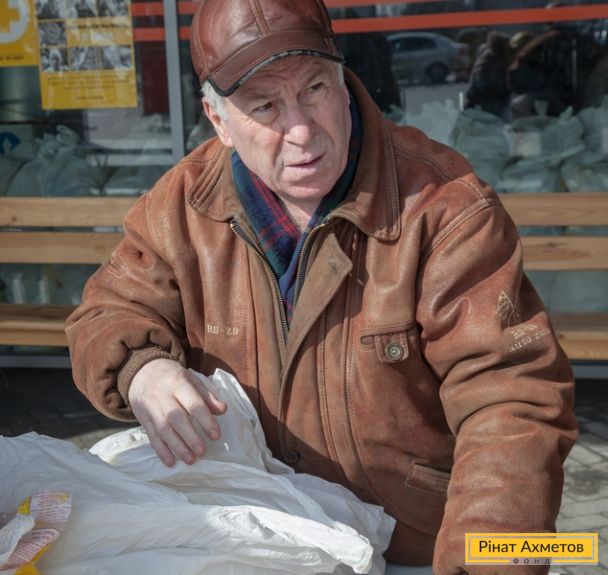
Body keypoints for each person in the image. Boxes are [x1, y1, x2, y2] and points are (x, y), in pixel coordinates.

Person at [66, 1, 578, 573]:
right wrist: (143, 370)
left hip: (416, 546)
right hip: (259, 539)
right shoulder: (181, 205)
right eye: (265, 105)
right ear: (219, 121)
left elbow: (512, 400)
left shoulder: (447, 206)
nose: (302, 131)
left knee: (573, 550)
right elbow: (106, 312)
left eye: (314, 89)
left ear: (342, 80)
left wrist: (490, 558)